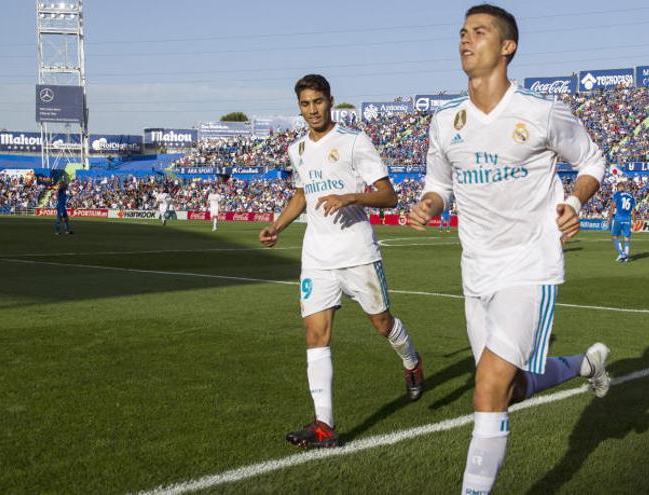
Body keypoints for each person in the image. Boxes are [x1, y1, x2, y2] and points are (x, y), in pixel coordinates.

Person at [406, 6, 609, 493]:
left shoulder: (540, 111)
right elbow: (439, 184)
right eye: (461, 33)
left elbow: (591, 160)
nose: (465, 40)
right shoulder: (444, 121)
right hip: (475, 271)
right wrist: (429, 204)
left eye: (479, 32)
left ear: (507, 46)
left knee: (488, 387)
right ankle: (585, 365)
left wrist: (575, 201)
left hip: (529, 265)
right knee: (510, 388)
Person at [258, 74, 425, 449]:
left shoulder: (353, 142)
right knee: (316, 335)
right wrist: (278, 226)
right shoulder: (297, 149)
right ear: (298, 107)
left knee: (382, 324)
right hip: (317, 256)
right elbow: (302, 194)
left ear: (330, 101)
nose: (312, 110)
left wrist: (351, 198)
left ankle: (412, 361)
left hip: (357, 253)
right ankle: (324, 425)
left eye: (318, 101)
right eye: (305, 104)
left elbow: (389, 196)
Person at [607, 181, 636, 262]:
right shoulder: (631, 196)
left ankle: (621, 254)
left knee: (614, 236)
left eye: (617, 188)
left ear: (619, 187)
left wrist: (609, 218)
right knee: (627, 238)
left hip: (619, 218)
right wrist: (634, 221)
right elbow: (633, 210)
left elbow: (613, 207)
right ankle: (626, 256)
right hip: (628, 219)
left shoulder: (617, 194)